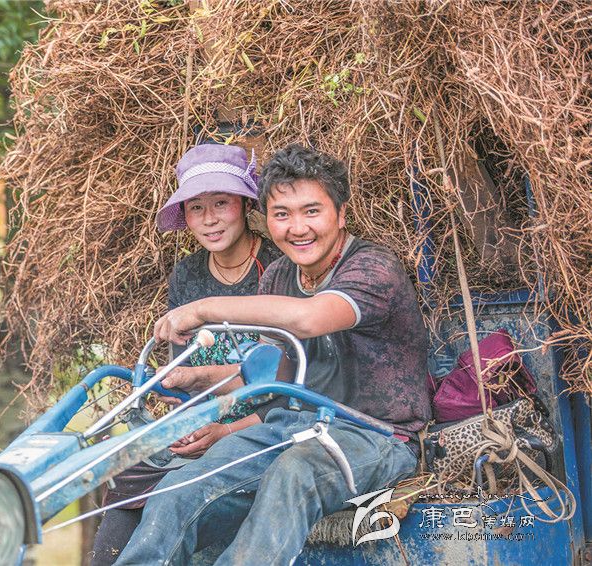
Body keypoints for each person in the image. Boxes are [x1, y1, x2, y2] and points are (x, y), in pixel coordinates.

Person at [115, 144, 431, 565]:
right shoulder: (280, 275)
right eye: (282, 214)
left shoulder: (373, 268)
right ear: (266, 218)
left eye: (312, 211)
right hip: (291, 426)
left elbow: (310, 318)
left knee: (295, 472)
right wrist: (196, 383)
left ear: (341, 213)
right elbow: (269, 379)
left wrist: (204, 309)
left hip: (376, 435)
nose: (298, 228)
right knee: (180, 489)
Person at [90, 143, 282, 565]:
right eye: (196, 208)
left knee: (174, 493)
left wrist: (223, 431)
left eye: (221, 203)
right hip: (207, 421)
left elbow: (291, 385)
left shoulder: (279, 268)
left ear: (245, 204)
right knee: (127, 475)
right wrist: (185, 420)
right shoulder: (188, 275)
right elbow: (186, 370)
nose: (209, 219)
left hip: (266, 425)